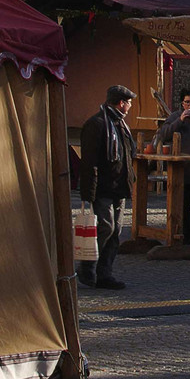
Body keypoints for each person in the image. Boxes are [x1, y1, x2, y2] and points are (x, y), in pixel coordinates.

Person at [76, 85, 137, 291]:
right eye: (128, 103)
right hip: (103, 187)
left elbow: (128, 156)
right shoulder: (97, 124)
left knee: (115, 231)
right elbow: (89, 161)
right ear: (121, 103)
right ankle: (88, 267)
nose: (130, 106)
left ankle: (104, 274)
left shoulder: (120, 124)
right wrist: (88, 192)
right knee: (106, 227)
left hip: (119, 187)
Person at [159, 88, 190, 240]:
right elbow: (163, 134)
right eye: (187, 102)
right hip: (183, 171)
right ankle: (186, 241)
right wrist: (180, 120)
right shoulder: (175, 116)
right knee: (184, 209)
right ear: (182, 103)